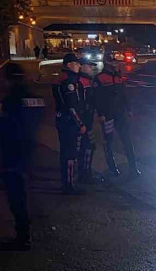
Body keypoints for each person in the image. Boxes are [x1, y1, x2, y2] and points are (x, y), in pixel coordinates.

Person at [0, 63, 44, 250]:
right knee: (25, 192)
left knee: (17, 196)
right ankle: (25, 234)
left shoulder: (11, 100)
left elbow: (3, 127)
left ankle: (23, 237)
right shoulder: (36, 98)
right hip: (29, 150)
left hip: (13, 152)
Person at [94, 55, 140, 177]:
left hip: (120, 114)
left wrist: (128, 109)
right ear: (107, 63)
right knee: (108, 142)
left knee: (127, 140)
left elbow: (124, 95)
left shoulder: (118, 78)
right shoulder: (100, 79)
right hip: (107, 116)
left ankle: (133, 168)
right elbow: (98, 98)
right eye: (113, 62)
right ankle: (112, 169)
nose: (116, 64)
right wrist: (101, 114)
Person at [53, 53, 87, 194]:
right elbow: (71, 106)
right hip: (69, 123)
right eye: (76, 63)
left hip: (64, 121)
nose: (79, 66)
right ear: (69, 65)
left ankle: (68, 183)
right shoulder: (69, 83)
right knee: (71, 153)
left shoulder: (64, 79)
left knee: (66, 153)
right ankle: (70, 185)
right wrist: (80, 124)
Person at [77, 57, 98, 184]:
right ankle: (85, 174)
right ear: (82, 66)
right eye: (89, 66)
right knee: (88, 146)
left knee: (88, 146)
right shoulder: (81, 82)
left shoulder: (87, 81)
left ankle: (85, 172)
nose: (91, 68)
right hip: (84, 120)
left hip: (87, 119)